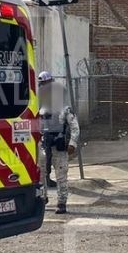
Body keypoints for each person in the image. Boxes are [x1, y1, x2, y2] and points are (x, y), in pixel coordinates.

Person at [36, 71, 79, 215]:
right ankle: (43, 199)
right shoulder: (40, 108)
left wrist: (72, 143)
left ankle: (61, 202)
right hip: (43, 146)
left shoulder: (64, 108)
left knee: (61, 176)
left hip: (59, 147)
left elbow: (74, 127)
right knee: (41, 175)